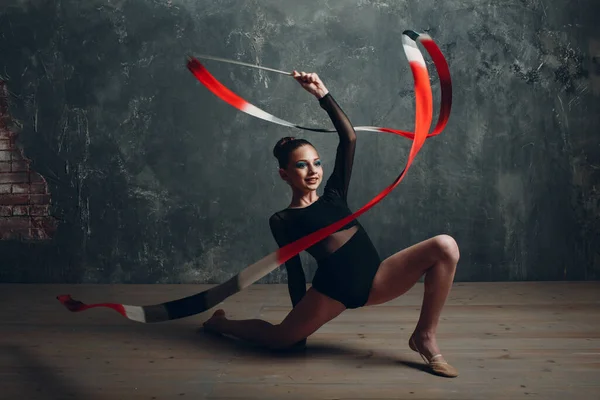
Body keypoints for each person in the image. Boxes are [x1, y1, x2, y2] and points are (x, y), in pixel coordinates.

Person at [203, 71, 460, 378]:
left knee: (445, 245)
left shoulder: (334, 194)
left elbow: (349, 137)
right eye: (301, 164)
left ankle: (424, 337)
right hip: (332, 293)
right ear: (284, 174)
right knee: (280, 340)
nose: (312, 170)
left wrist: (321, 92)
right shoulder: (283, 219)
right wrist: (299, 322)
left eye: (316, 162)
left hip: (377, 279)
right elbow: (295, 273)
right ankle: (221, 323)